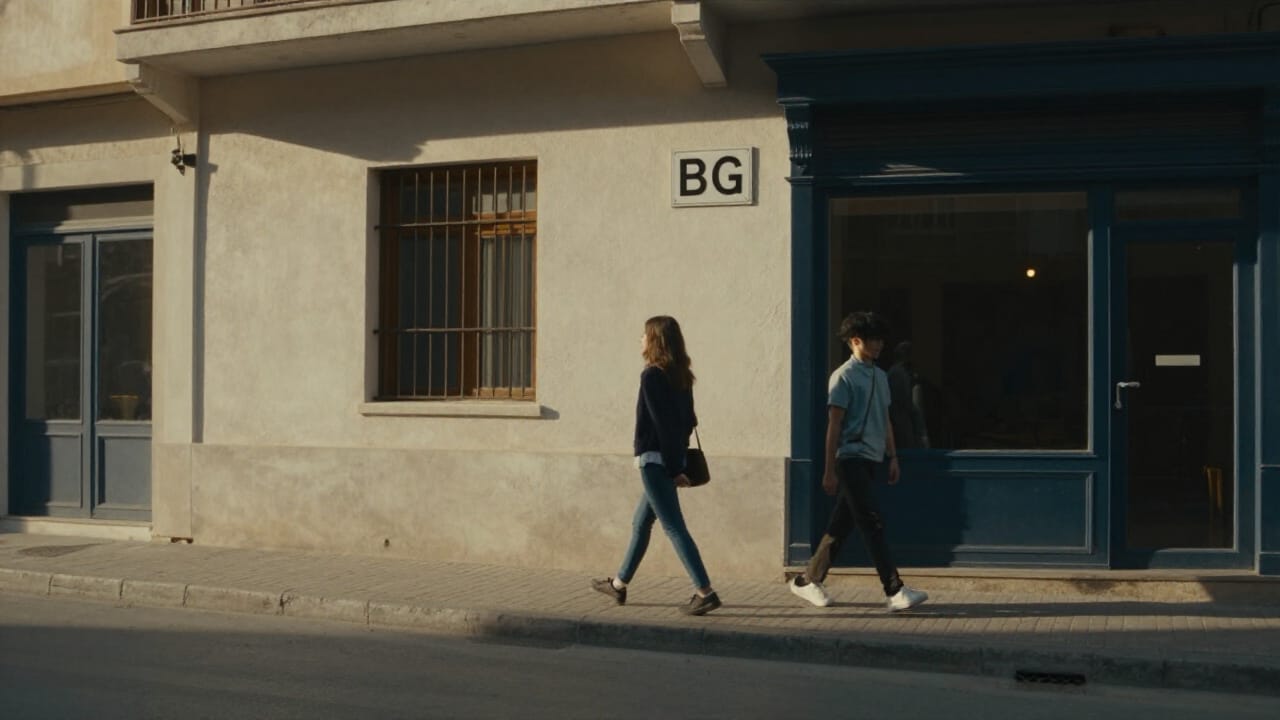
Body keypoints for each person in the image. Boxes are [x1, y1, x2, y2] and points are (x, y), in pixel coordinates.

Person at [789, 311, 928, 612]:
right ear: (855, 341)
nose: (879, 345)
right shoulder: (843, 377)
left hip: (872, 459)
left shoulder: (881, 376)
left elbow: (886, 419)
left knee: (841, 525)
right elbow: (834, 426)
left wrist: (893, 456)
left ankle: (807, 580)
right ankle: (894, 589)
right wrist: (829, 470)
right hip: (850, 458)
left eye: (880, 340)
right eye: (872, 340)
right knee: (871, 521)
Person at [592, 316, 722, 616]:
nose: (640, 339)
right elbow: (688, 421)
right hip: (670, 460)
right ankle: (618, 584)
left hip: (655, 461)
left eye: (644, 334)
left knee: (674, 527)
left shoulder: (651, 376)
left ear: (655, 340)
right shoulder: (683, 377)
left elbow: (663, 425)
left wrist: (674, 468)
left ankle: (705, 592)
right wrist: (678, 462)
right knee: (641, 522)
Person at [887, 341, 929, 449]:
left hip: (903, 425)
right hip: (902, 427)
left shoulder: (900, 373)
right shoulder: (898, 374)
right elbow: (906, 403)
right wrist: (921, 432)